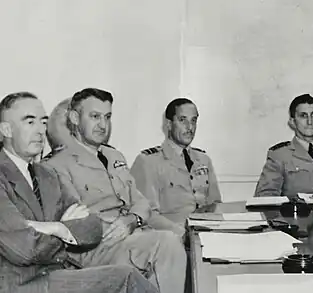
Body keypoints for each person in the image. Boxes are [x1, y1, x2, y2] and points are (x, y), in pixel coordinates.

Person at [0, 91, 157, 293]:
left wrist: (56, 228)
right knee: (126, 279)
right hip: (20, 285)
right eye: (30, 122)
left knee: (126, 275)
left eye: (43, 122)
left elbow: (90, 228)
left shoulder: (46, 175)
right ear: (6, 129)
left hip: (56, 275)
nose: (40, 131)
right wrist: (65, 231)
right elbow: (24, 249)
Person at [44, 88, 186, 293]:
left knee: (182, 244)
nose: (103, 125)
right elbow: (74, 220)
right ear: (75, 118)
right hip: (96, 248)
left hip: (132, 236)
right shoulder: (56, 166)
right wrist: (118, 226)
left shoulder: (114, 157)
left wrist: (132, 220)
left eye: (107, 117)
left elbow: (140, 201)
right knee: (166, 243)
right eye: (95, 117)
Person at [131, 98, 222, 227]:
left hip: (206, 234)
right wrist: (183, 235)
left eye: (193, 120)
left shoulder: (203, 160)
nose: (189, 127)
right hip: (172, 239)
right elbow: (148, 215)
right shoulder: (148, 161)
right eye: (182, 120)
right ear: (169, 124)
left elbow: (216, 205)